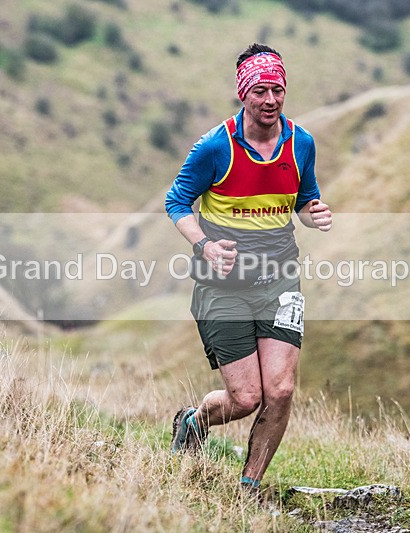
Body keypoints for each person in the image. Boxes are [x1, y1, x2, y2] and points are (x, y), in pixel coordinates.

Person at [164, 43, 332, 494]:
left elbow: (304, 199)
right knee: (245, 398)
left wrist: (312, 215)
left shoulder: (302, 143)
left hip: (279, 280)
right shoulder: (215, 146)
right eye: (261, 90)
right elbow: (176, 201)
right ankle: (194, 421)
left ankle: (249, 488)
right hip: (224, 287)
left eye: (277, 89)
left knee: (279, 390)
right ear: (244, 94)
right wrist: (203, 245)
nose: (271, 99)